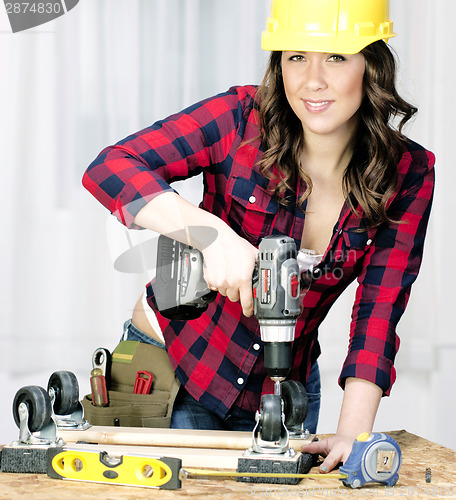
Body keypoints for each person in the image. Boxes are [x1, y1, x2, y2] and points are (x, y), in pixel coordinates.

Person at [82, 0, 435, 473]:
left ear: (371, 64)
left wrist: (354, 435)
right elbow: (110, 168)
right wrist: (213, 238)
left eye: (335, 57)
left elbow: (380, 309)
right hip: (170, 373)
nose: (313, 79)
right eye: (296, 57)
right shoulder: (239, 119)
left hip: (283, 395)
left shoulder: (407, 172)